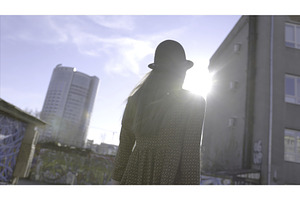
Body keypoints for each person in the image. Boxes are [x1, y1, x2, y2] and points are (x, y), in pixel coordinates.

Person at [111, 40, 206, 185]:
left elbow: (124, 148)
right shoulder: (193, 102)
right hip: (169, 177)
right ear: (181, 71)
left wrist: (116, 181)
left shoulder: (135, 100)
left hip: (133, 176)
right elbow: (190, 157)